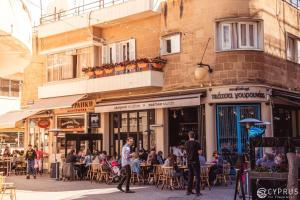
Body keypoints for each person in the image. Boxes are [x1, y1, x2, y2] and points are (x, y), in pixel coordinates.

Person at [185, 131, 201, 196]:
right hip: (195, 162)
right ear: (194, 136)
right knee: (197, 177)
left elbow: (186, 152)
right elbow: (200, 152)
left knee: (190, 176)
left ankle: (189, 191)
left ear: (189, 136)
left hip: (189, 162)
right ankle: (197, 192)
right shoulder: (197, 143)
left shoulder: (186, 143)